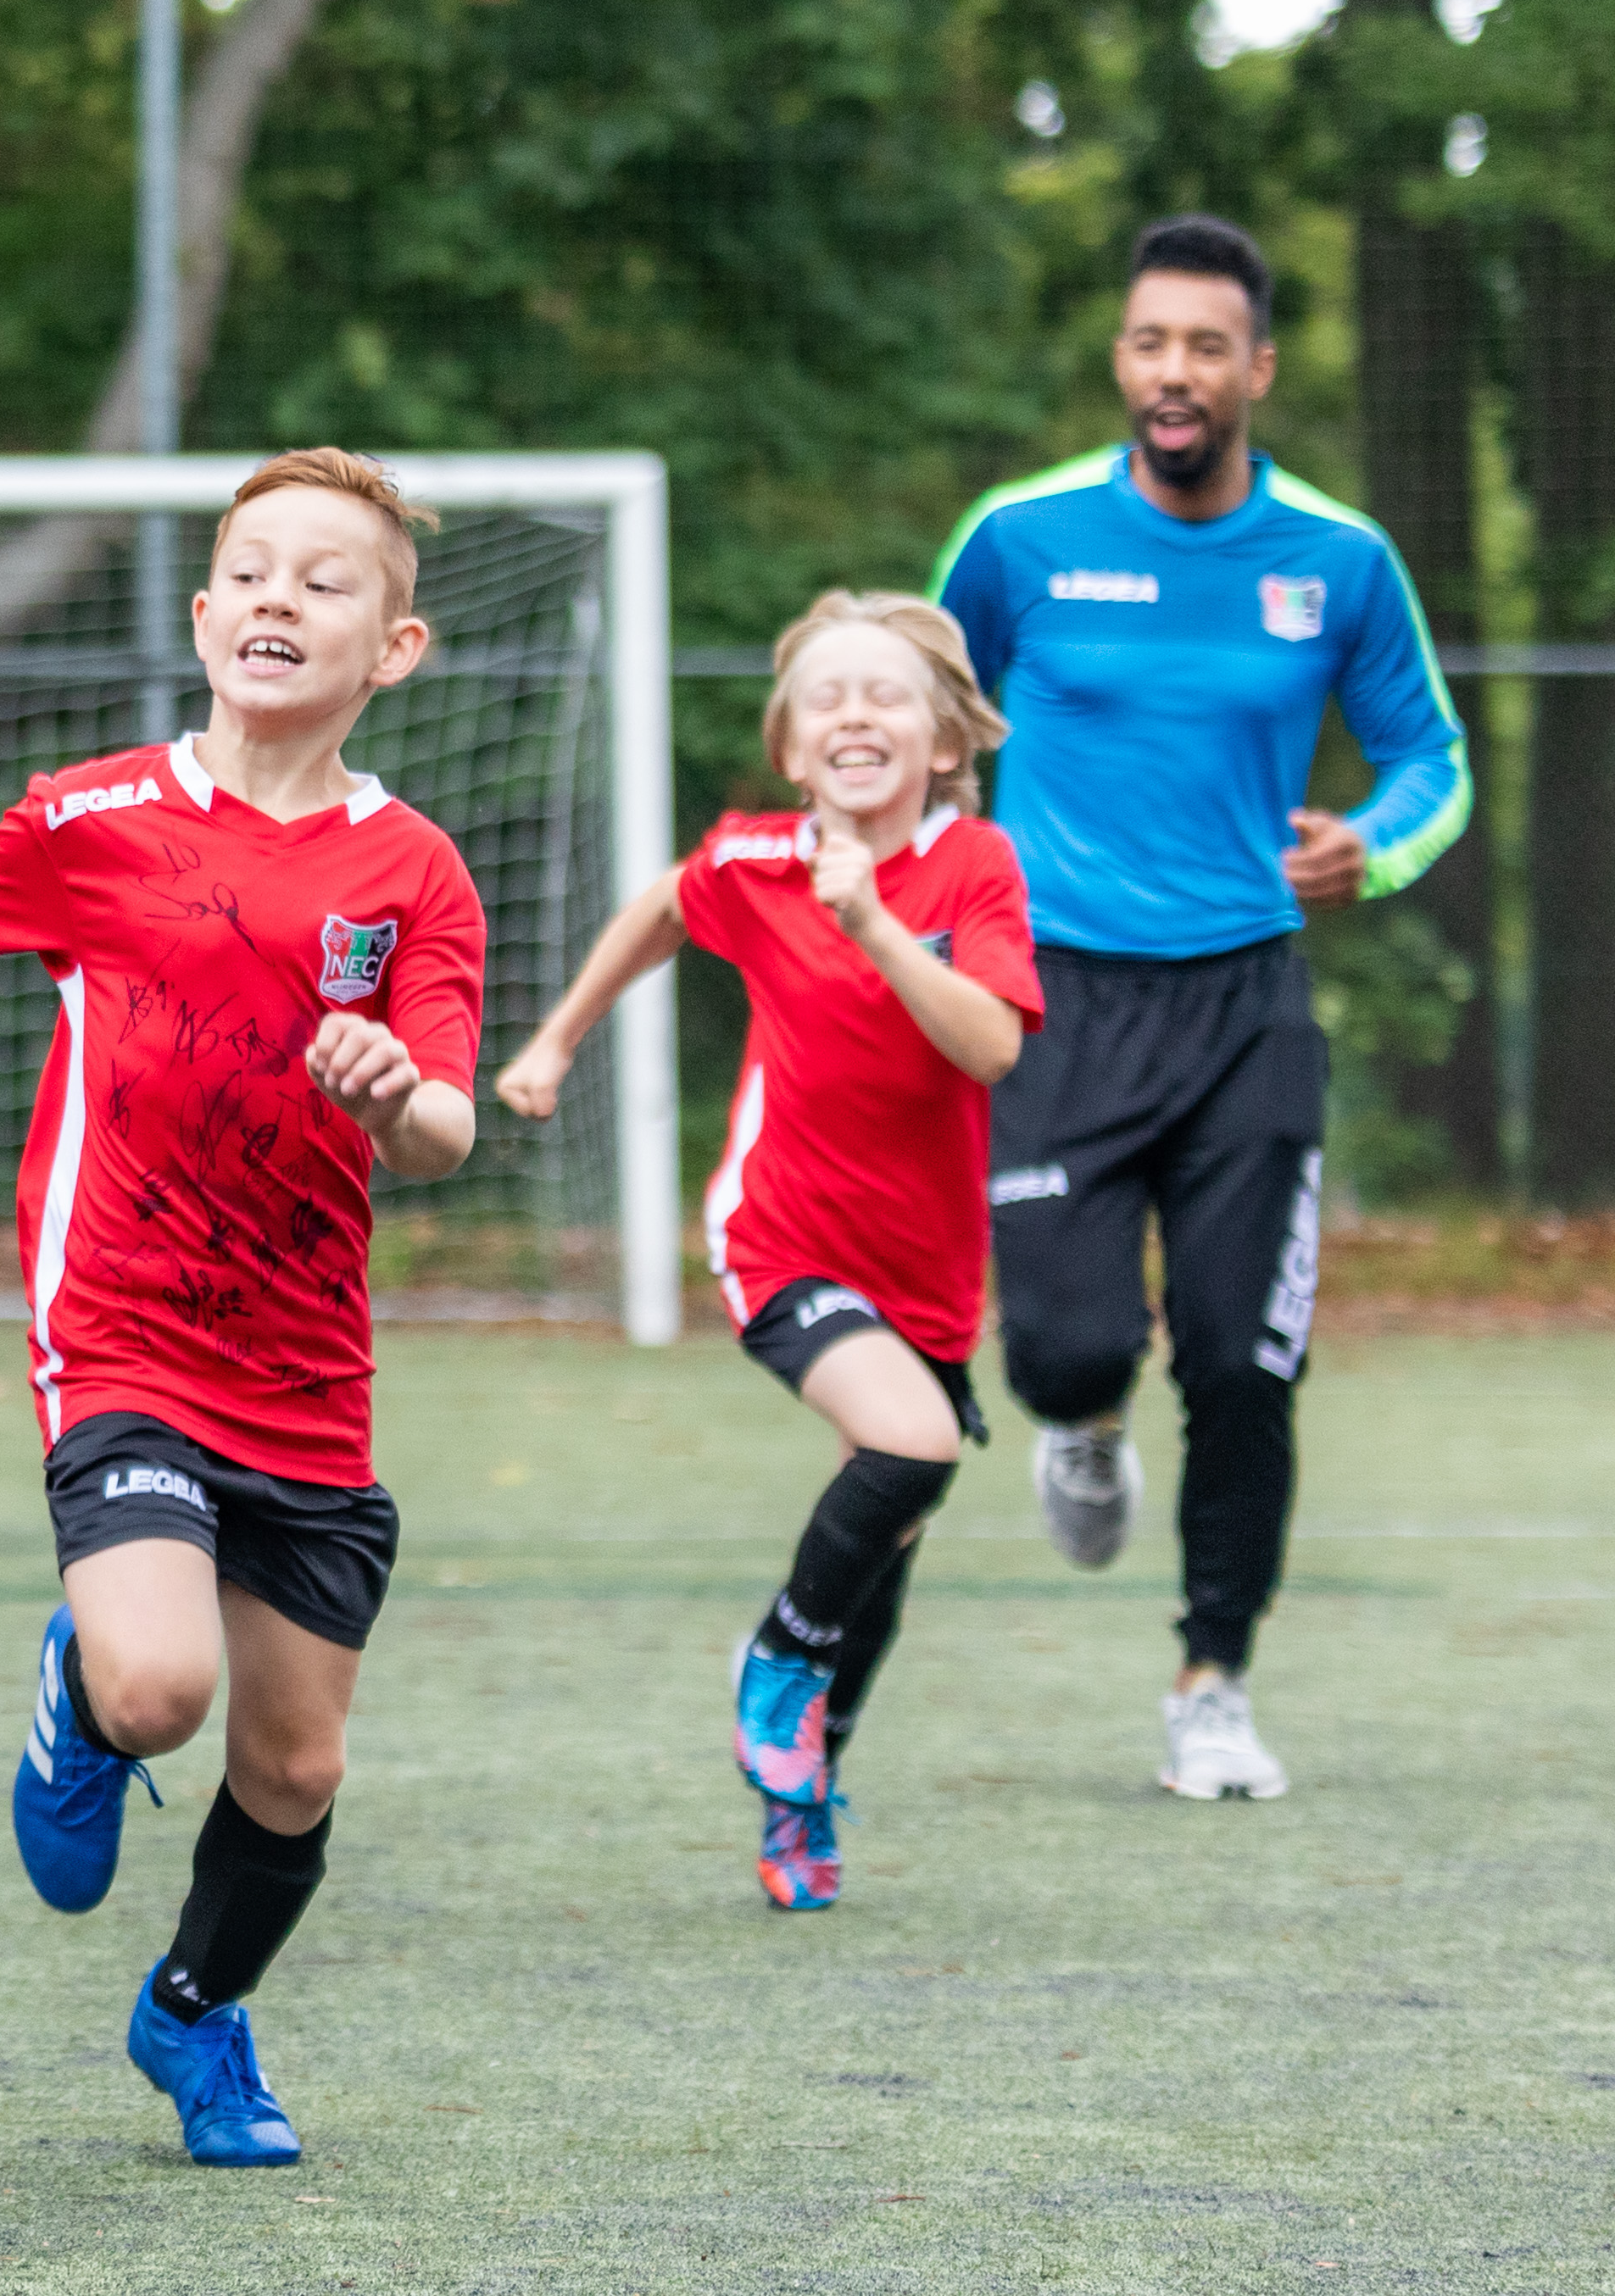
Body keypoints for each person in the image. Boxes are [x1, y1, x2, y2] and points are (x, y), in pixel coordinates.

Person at [0, 450, 482, 2169]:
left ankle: (192, 2013)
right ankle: (83, 1694)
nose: (280, 601)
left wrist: (392, 1091)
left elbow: (447, 1126)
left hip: (307, 1364)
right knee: (163, 1687)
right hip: (126, 1327)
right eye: (252, 570)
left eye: (326, 580)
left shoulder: (415, 870)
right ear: (202, 611)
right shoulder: (93, 817)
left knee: (295, 1768)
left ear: (396, 646)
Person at [933, 214, 1463, 1800]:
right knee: (1065, 1341)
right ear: (1121, 360)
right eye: (1151, 342)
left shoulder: (1338, 559)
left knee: (1244, 1363)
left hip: (1247, 1008)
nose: (1177, 372)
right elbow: (916, 709)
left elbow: (1431, 756)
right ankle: (1080, 1419)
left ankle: (1212, 1677)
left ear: (1257, 368)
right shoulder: (1018, 539)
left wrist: (1376, 842)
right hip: (1052, 1001)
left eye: (1207, 346)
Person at [498, 593, 1041, 1908]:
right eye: (828, 699)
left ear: (945, 740)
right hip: (782, 1235)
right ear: (795, 749)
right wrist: (556, 1039)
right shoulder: (753, 859)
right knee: (907, 1447)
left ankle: (803, 1787)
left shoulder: (977, 871)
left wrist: (874, 927)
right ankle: (779, 1659)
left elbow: (992, 1046)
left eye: (889, 695)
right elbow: (660, 911)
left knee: (892, 1539)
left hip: (929, 1272)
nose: (858, 714)